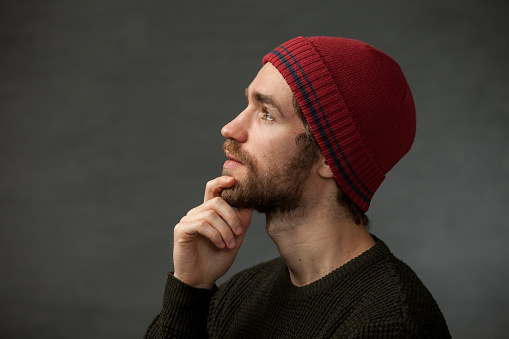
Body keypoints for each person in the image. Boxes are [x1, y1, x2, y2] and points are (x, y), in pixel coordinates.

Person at [144, 36, 451, 338]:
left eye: (266, 113)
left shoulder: (391, 323)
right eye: (247, 104)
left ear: (331, 158)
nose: (231, 129)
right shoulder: (241, 294)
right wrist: (190, 290)